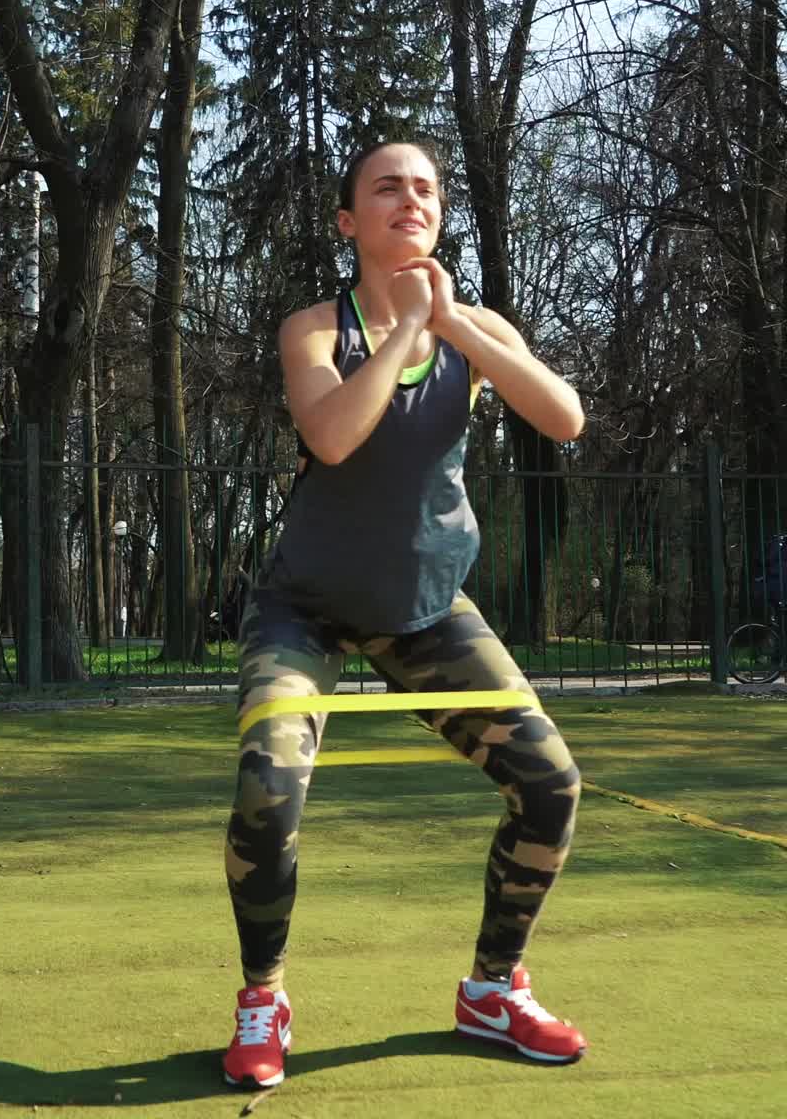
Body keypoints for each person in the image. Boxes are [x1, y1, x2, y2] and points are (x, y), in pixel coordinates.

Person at [221, 141, 587, 1089]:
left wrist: (458, 328)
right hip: (303, 609)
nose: (409, 200)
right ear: (350, 222)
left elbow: (564, 419)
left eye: (424, 188)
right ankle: (263, 999)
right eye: (386, 188)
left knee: (549, 784)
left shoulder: (474, 329)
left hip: (426, 614)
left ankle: (492, 991)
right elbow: (333, 437)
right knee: (269, 786)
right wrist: (403, 333)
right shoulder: (313, 328)